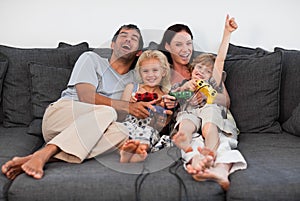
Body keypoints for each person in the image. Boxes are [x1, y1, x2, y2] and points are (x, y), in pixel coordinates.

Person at [1, 24, 166, 180]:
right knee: (107, 111)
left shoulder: (136, 80)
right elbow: (86, 97)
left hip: (92, 132)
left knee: (123, 133)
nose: (128, 40)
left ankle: (37, 157)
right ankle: (44, 153)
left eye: (134, 38)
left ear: (138, 52)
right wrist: (129, 107)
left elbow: (161, 75)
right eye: (123, 36)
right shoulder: (91, 59)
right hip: (63, 116)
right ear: (112, 44)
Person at [171, 15, 247, 191]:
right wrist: (185, 92)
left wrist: (226, 33)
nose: (201, 72)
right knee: (186, 124)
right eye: (199, 68)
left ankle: (210, 157)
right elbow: (175, 97)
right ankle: (194, 155)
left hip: (211, 118)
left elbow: (219, 60)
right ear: (192, 70)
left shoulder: (214, 83)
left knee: (211, 128)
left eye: (207, 71)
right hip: (192, 118)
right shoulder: (187, 82)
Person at [119, 49, 174, 163]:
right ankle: (126, 151)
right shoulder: (132, 88)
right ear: (140, 73)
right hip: (129, 124)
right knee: (119, 130)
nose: (150, 75)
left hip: (150, 128)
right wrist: (128, 104)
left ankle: (139, 151)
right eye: (145, 71)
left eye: (155, 70)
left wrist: (166, 115)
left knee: (148, 132)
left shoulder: (166, 95)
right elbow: (120, 115)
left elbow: (164, 126)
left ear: (163, 72)